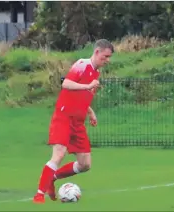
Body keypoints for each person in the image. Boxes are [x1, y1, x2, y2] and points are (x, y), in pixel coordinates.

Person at [33, 39, 114, 204]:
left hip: (78, 121)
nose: (107, 60)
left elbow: (82, 96)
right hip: (64, 117)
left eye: (109, 57)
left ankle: (52, 178)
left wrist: (90, 112)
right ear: (97, 52)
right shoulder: (82, 64)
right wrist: (87, 86)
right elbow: (66, 84)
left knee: (85, 164)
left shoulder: (96, 73)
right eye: (105, 56)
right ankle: (39, 194)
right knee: (59, 153)